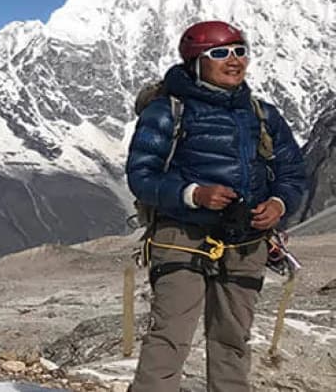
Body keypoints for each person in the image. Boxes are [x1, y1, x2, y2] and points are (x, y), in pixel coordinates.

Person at [127, 21, 306, 392]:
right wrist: (193, 194)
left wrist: (278, 202)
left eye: (240, 51)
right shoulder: (166, 112)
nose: (234, 60)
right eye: (220, 53)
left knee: (233, 338)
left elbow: (291, 171)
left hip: (247, 238)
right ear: (196, 61)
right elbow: (142, 176)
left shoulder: (263, 114)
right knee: (170, 335)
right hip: (181, 236)